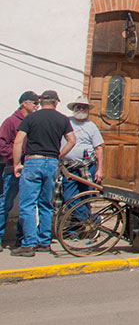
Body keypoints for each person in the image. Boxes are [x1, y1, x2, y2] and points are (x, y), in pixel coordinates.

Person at [11, 90, 75, 257]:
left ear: (41, 102)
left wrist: (17, 163)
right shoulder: (63, 119)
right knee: (46, 204)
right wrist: (59, 155)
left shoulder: (30, 118)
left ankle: (28, 244)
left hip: (33, 161)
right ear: (56, 102)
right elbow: (72, 140)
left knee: (28, 204)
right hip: (51, 163)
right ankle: (44, 242)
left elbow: (18, 141)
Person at [0, 91, 39, 248]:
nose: (37, 106)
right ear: (25, 103)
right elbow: (2, 145)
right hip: (13, 168)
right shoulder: (10, 122)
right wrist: (17, 157)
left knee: (28, 205)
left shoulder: (33, 121)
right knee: (6, 203)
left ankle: (21, 237)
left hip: (30, 167)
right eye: (35, 103)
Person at [61, 96, 105, 220]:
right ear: (74, 108)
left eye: (84, 107)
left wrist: (99, 169)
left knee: (85, 197)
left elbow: (99, 148)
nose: (81, 109)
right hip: (68, 166)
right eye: (78, 107)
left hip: (87, 166)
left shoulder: (91, 126)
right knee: (69, 197)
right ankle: (91, 220)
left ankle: (79, 227)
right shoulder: (66, 122)